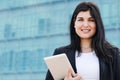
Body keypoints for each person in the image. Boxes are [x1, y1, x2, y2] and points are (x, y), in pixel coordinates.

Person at [45, 1, 120, 80]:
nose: (85, 25)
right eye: (80, 20)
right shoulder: (60, 54)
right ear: (74, 23)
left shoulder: (113, 54)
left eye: (91, 20)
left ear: (97, 24)